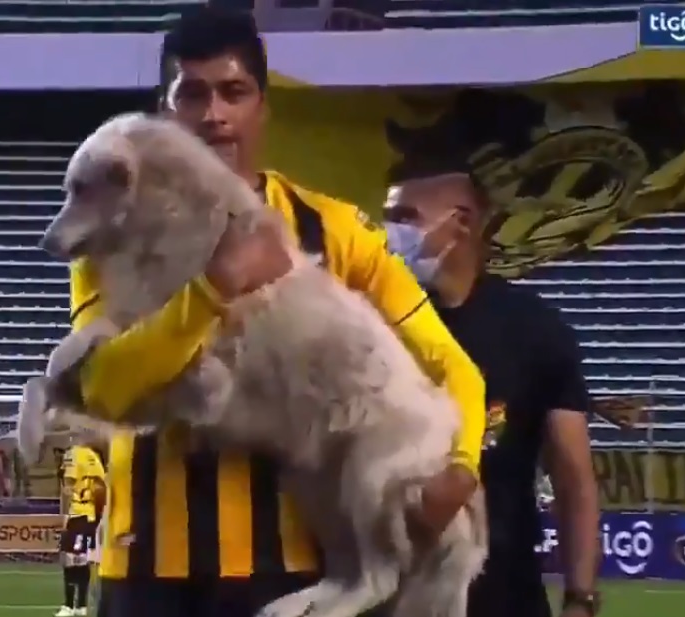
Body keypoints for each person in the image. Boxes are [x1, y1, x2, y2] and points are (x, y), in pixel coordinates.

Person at [61, 8, 488, 617]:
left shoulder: (333, 228)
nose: (215, 114)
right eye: (194, 94)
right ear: (165, 112)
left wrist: (462, 471)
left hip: (283, 571)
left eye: (234, 92)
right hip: (144, 562)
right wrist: (215, 286)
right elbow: (104, 390)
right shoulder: (112, 237)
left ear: (263, 106)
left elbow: (452, 366)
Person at [381, 163, 602, 617]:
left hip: (504, 588)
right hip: (392, 587)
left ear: (460, 223)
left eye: (405, 217)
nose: (388, 232)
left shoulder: (535, 328)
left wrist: (581, 597)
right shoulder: (374, 323)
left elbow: (573, 478)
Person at [58, 439, 108, 616]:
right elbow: (103, 489)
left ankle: (68, 605)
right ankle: (81, 605)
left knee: (69, 560)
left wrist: (64, 516)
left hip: (77, 515)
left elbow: (67, 488)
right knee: (81, 559)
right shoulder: (96, 458)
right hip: (91, 516)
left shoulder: (74, 454)